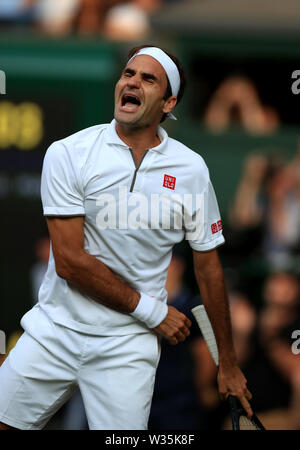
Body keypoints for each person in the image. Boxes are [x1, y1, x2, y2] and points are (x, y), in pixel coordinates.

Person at [0, 45, 252, 430]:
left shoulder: (191, 169)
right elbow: (68, 261)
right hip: (54, 330)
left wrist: (229, 363)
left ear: (168, 103)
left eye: (147, 78)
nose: (132, 82)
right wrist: (153, 313)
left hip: (128, 347)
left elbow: (209, 269)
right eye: (128, 74)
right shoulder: (68, 153)